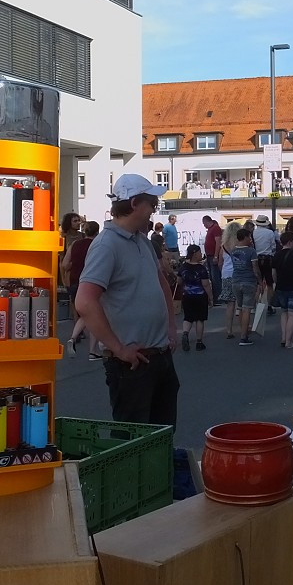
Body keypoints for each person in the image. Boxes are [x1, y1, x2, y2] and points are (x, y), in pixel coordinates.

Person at [75, 174, 178, 426]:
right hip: (132, 364)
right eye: (152, 204)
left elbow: (161, 283)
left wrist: (171, 329)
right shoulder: (106, 245)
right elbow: (85, 302)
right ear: (134, 204)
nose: (154, 210)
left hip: (157, 356)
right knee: (134, 442)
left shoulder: (140, 240)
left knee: (160, 436)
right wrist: (119, 349)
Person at [62, 221, 100, 360]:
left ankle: (73, 337)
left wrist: (74, 264)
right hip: (92, 283)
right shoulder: (98, 245)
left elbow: (65, 265)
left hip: (74, 281)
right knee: (96, 315)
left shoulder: (74, 245)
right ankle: (93, 351)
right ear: (97, 232)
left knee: (84, 314)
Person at [177, 244, 212, 352]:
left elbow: (179, 281)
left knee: (188, 317)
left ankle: (185, 333)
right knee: (200, 319)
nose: (201, 254)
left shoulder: (183, 267)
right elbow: (205, 284)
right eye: (200, 252)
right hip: (200, 295)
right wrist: (210, 297)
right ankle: (199, 342)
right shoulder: (201, 269)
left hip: (187, 295)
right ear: (195, 254)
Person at [229, 227, 261, 346]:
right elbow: (255, 268)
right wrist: (259, 280)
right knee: (247, 308)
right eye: (249, 237)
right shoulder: (251, 251)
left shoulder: (233, 251)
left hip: (236, 280)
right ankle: (244, 336)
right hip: (248, 281)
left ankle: (243, 329)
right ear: (245, 237)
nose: (251, 239)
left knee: (241, 307)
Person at [216, 221, 242, 339]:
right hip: (239, 274)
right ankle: (244, 327)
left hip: (226, 275)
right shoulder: (240, 244)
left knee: (230, 304)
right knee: (241, 303)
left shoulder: (224, 246)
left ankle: (229, 329)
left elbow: (220, 263)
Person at [253, 215, 279, 315]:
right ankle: (269, 305)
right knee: (269, 284)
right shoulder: (270, 233)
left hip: (256, 259)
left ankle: (255, 305)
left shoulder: (253, 232)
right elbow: (273, 246)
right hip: (268, 259)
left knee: (258, 283)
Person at [202, 215, 223, 304]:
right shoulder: (211, 229)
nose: (204, 225)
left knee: (215, 277)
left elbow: (218, 242)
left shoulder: (215, 228)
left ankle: (218, 297)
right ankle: (216, 297)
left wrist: (215, 256)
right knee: (212, 276)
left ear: (207, 221)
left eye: (204, 223)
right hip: (210, 255)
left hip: (213, 256)